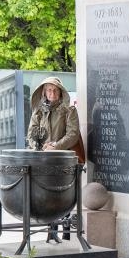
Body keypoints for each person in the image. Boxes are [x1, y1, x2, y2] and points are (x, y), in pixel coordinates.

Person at [26, 76, 81, 242]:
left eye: (55, 90)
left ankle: (66, 233)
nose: (52, 93)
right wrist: (39, 146)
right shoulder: (38, 111)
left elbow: (73, 135)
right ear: (44, 92)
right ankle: (51, 232)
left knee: (63, 195)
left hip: (62, 160)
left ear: (60, 92)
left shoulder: (69, 111)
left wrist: (55, 146)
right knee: (46, 196)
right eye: (49, 90)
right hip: (43, 161)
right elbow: (31, 134)